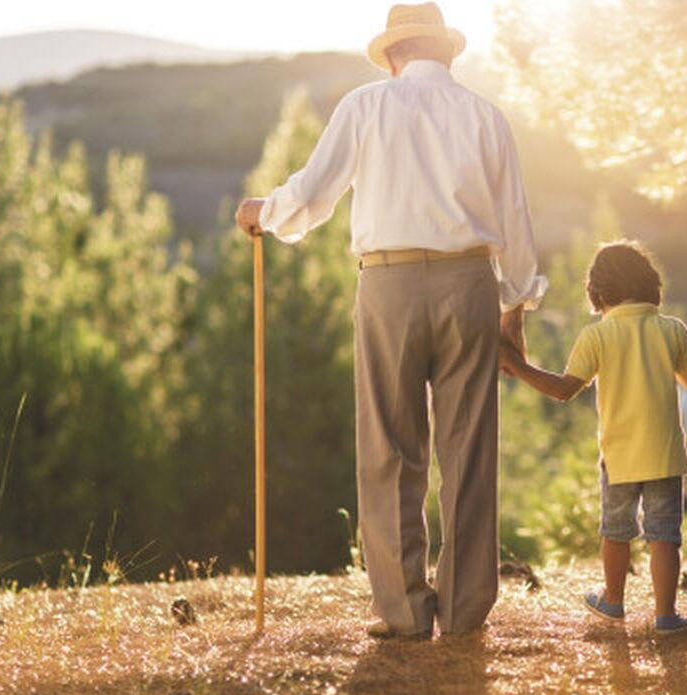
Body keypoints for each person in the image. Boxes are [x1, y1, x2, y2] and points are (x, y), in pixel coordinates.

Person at [234, 2, 546, 639]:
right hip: (470, 286)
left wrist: (264, 211)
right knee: (469, 451)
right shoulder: (488, 117)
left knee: (389, 448)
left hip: (388, 283)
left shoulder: (366, 105)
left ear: (395, 54)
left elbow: (314, 195)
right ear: (447, 52)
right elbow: (515, 220)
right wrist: (515, 307)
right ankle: (462, 613)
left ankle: (404, 612)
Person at [499, 240, 687, 634]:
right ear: (650, 285)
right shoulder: (673, 329)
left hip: (621, 454)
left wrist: (516, 366)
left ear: (598, 292)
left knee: (615, 530)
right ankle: (666, 615)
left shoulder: (597, 336)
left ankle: (613, 601)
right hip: (664, 453)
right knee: (665, 534)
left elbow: (563, 390)